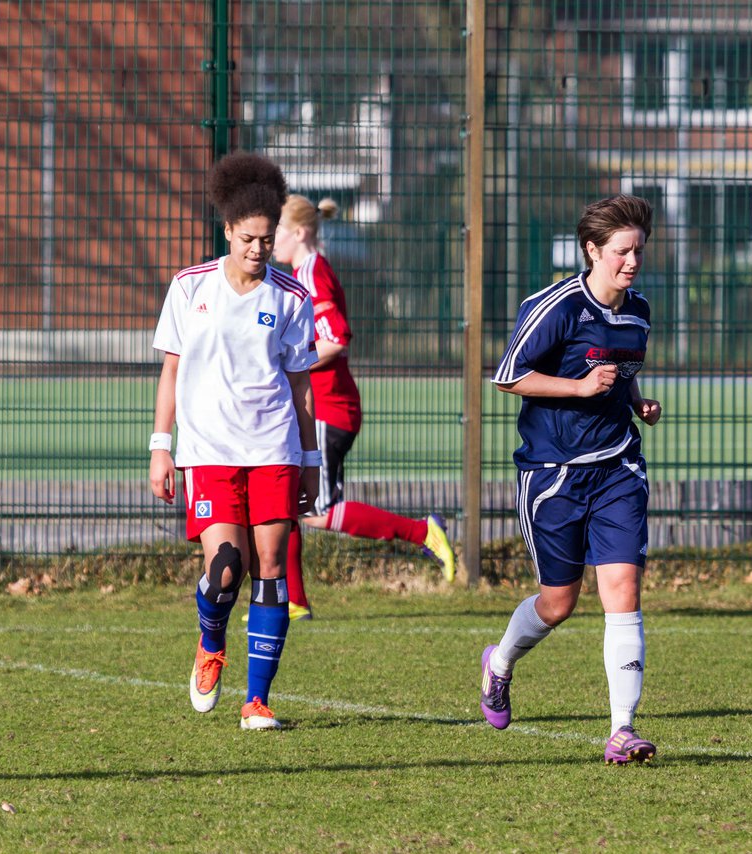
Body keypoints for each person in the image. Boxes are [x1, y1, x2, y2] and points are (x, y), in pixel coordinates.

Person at [480, 195, 663, 764]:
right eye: (621, 252)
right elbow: (508, 377)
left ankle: (622, 730)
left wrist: (636, 401)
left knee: (623, 593)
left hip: (617, 468)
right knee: (559, 604)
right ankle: (500, 663)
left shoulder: (639, 312)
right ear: (592, 250)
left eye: (638, 250)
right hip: (553, 476)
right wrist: (579, 388)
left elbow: (621, 372)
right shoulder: (555, 306)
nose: (631, 262)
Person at [149, 152, 319, 730]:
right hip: (208, 452)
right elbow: (170, 372)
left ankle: (257, 701)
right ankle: (210, 641)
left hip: (273, 449)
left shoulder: (292, 297)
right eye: (248, 238)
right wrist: (160, 445)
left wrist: (312, 458)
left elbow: (301, 388)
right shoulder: (189, 287)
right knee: (226, 568)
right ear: (227, 230)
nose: (257, 249)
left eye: (267, 240)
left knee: (270, 566)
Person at [268, 195, 455, 622]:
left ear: (298, 232)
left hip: (328, 409)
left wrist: (287, 364)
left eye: (276, 231)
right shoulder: (305, 271)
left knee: (313, 512)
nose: (269, 240)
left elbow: (335, 338)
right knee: (289, 500)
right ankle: (292, 600)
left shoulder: (312, 274)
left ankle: (422, 532)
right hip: (320, 406)